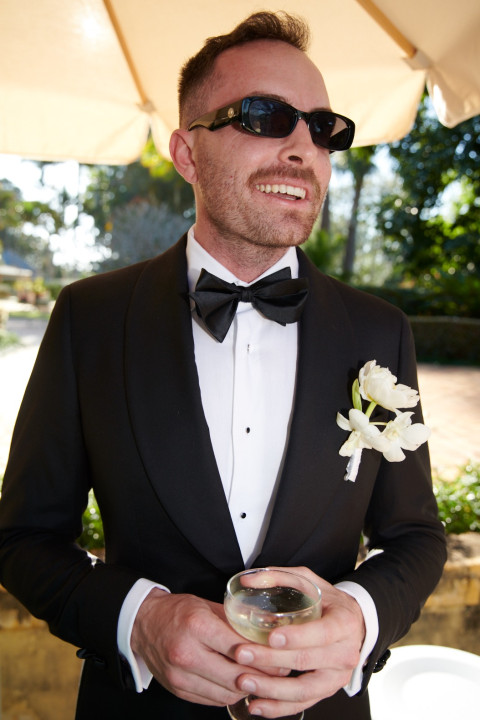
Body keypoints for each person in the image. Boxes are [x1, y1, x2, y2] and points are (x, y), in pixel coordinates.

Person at [0, 11, 446, 720]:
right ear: (186, 153)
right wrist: (138, 620)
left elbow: (416, 537)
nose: (302, 148)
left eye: (324, 129)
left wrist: (361, 619)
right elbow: (23, 537)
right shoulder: (91, 317)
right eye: (266, 117)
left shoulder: (379, 330)